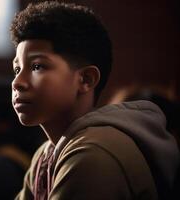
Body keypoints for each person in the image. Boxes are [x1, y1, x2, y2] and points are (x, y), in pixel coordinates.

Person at [10, 1, 179, 200]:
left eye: (37, 66)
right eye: (17, 69)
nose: (17, 83)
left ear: (86, 80)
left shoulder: (92, 154)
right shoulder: (45, 154)